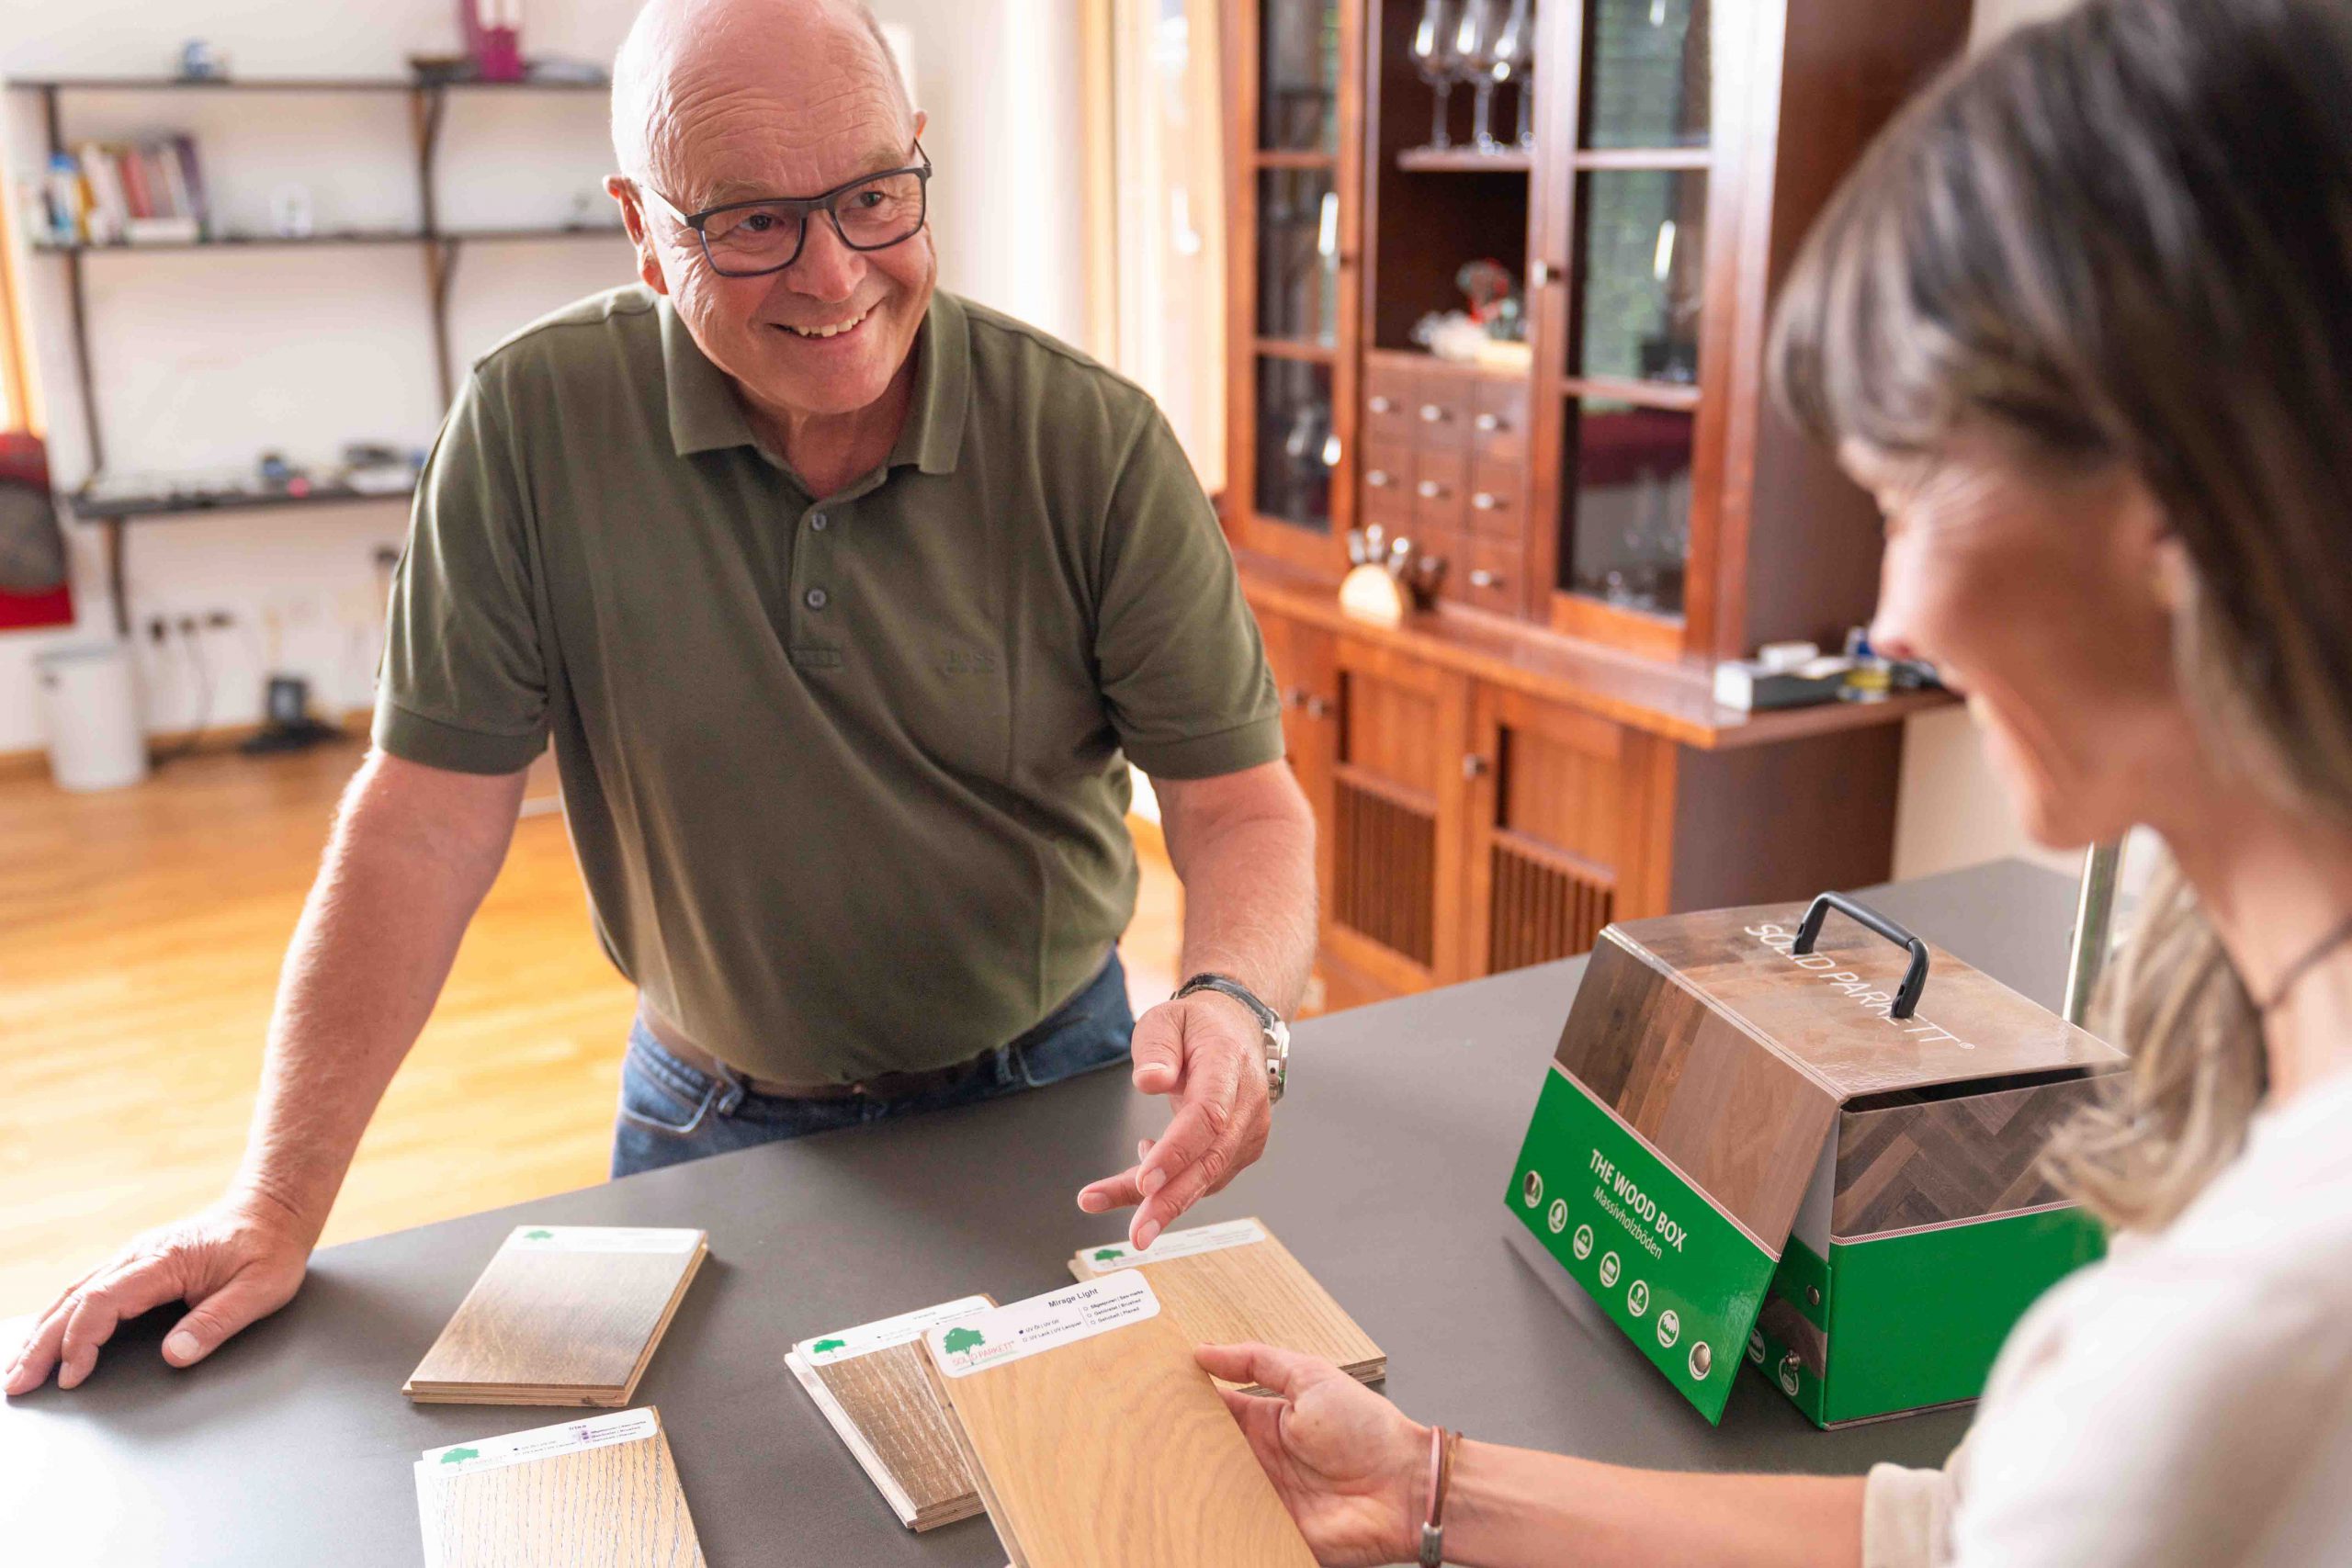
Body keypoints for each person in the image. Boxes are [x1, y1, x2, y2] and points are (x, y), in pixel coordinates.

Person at [5, 0, 1315, 1399]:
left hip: (1052, 1098)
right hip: (708, 1116)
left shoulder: (1092, 441)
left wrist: (1236, 1002)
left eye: (873, 198)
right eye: (752, 222)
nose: (832, 274)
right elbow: (420, 829)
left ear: (917, 162)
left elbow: (1239, 806)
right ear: (643, 225)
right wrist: (271, 1204)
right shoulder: (529, 425)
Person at [1201, 0, 2352, 1562]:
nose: (1894, 619)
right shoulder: (2260, 1073)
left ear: (2174, 495)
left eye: (1913, 491)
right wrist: (1429, 1487)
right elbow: (1962, 1535)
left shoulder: (2279, 1313)